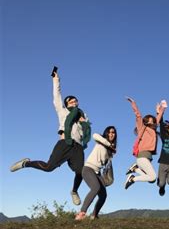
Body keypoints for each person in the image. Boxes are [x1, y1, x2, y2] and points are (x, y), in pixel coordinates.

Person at [10, 69, 91, 206]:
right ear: (66, 104)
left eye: (76, 101)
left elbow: (85, 132)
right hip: (64, 143)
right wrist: (56, 80)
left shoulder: (82, 116)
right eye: (71, 101)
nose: (74, 103)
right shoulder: (63, 111)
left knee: (80, 171)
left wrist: (85, 124)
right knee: (48, 167)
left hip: (77, 147)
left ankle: (74, 191)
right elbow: (57, 96)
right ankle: (26, 163)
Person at [75, 126, 117, 220]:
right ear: (106, 133)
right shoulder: (100, 141)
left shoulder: (110, 150)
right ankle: (81, 213)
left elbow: (106, 164)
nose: (111, 134)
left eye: (113, 132)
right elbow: (94, 135)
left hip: (97, 172)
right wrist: (108, 144)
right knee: (95, 188)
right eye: (109, 132)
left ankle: (94, 215)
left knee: (103, 195)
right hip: (88, 168)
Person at [124, 97, 164, 189]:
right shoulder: (142, 128)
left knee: (152, 180)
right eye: (149, 120)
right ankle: (132, 179)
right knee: (153, 176)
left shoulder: (153, 129)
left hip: (147, 157)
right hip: (142, 157)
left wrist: (161, 109)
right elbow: (138, 115)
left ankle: (136, 169)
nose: (151, 121)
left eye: (152, 120)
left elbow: (158, 118)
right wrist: (133, 103)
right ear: (145, 121)